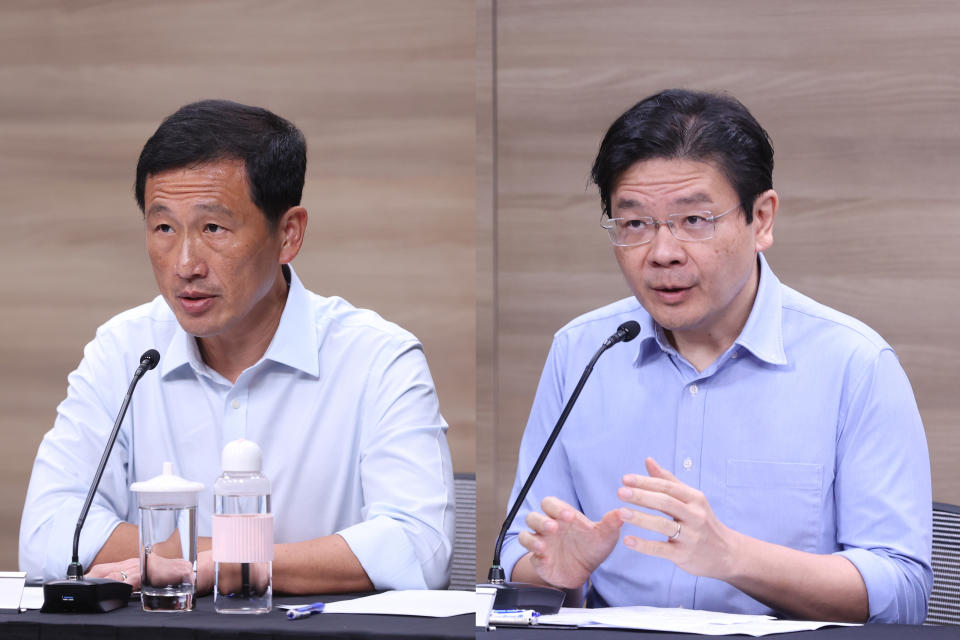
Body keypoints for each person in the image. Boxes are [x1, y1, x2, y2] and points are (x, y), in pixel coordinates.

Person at [500, 89, 932, 623]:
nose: (662, 253)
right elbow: (518, 554)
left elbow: (903, 590)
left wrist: (733, 557)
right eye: (634, 224)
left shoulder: (854, 364)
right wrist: (554, 573)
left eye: (694, 220)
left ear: (762, 219)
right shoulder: (582, 351)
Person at [19, 99, 454, 592]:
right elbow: (50, 534)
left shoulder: (378, 359)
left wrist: (223, 565)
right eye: (164, 227)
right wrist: (231, 557)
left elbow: (419, 547)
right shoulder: (124, 352)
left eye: (213, 228)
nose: (185, 263)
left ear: (288, 234)